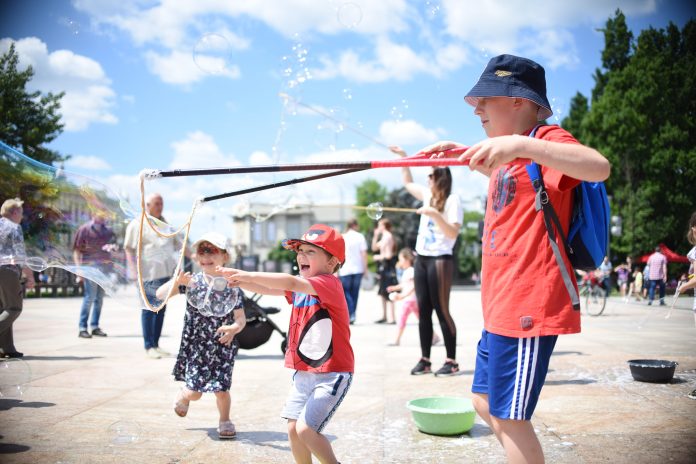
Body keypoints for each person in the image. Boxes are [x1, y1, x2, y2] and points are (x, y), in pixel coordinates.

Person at [418, 54, 610, 462]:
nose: (477, 109)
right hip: (500, 307)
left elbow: (599, 167)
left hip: (528, 305)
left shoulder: (546, 139)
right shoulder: (519, 157)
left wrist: (521, 144)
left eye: (486, 99)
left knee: (510, 417)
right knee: (484, 402)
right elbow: (516, 180)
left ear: (519, 100)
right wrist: (461, 154)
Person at [218, 224, 353, 464]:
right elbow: (271, 288)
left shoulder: (328, 283)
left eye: (310, 252)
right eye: (300, 251)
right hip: (304, 373)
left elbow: (289, 283)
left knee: (306, 430)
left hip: (331, 373)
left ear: (332, 262)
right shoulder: (302, 285)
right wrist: (240, 282)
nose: (301, 256)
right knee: (293, 429)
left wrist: (247, 274)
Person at [156, 232, 246, 439]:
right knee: (195, 393)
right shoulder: (191, 282)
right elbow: (160, 295)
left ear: (225, 256)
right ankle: (184, 394)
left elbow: (241, 318)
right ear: (196, 257)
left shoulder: (232, 286)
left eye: (212, 251)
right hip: (196, 345)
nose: (206, 256)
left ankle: (225, 420)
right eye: (201, 251)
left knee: (222, 390)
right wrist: (176, 281)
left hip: (222, 345)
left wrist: (234, 328)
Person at [390, 145, 463, 377]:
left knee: (442, 310)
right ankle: (425, 359)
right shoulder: (428, 196)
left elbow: (452, 232)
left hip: (440, 259)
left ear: (441, 177)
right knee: (424, 311)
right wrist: (404, 158)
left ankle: (451, 361)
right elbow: (408, 182)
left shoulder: (452, 200)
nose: (428, 179)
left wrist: (434, 214)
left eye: (431, 175)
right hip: (422, 258)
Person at [124, 193, 186, 359]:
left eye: (161, 203)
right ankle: (149, 346)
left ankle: (156, 345)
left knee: (160, 310)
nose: (160, 206)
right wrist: (132, 270)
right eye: (156, 203)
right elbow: (129, 248)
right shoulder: (137, 224)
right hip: (147, 274)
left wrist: (195, 254)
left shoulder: (166, 225)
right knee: (148, 309)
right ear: (147, 205)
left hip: (165, 274)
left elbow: (180, 245)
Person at [0, 198, 35, 358]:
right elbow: (20, 255)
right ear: (14, 212)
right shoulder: (14, 227)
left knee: (3, 309)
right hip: (7, 270)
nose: (22, 216)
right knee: (14, 308)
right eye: (21, 212)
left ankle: (7, 348)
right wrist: (30, 276)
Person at [386, 248, 440, 347]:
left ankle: (397, 340)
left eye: (401, 259)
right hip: (412, 301)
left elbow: (414, 286)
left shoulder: (411, 271)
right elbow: (405, 284)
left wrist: (403, 296)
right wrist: (395, 288)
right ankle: (435, 336)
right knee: (422, 319)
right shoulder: (408, 271)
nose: (400, 262)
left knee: (402, 318)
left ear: (407, 259)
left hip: (410, 300)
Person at [72, 213, 115, 338]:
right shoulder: (84, 229)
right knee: (89, 297)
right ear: (93, 213)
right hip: (89, 268)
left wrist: (113, 248)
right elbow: (77, 251)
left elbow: (114, 248)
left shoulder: (108, 231)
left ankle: (95, 326)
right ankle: (82, 328)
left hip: (105, 269)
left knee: (99, 299)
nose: (102, 215)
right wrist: (79, 270)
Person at [338, 218, 367, 324]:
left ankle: (350, 314)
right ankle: (352, 314)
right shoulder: (360, 236)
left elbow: (338, 254)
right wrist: (365, 269)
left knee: (346, 293)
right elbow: (363, 254)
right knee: (355, 293)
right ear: (355, 225)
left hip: (345, 269)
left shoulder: (342, 237)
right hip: (358, 269)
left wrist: (336, 270)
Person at [372, 217, 397, 324]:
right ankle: (385, 316)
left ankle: (392, 318)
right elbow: (374, 248)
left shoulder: (388, 236)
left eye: (379, 225)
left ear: (384, 226)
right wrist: (375, 236)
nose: (378, 227)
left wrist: (378, 257)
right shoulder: (384, 237)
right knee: (382, 292)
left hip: (388, 267)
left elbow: (388, 255)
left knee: (389, 291)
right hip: (383, 267)